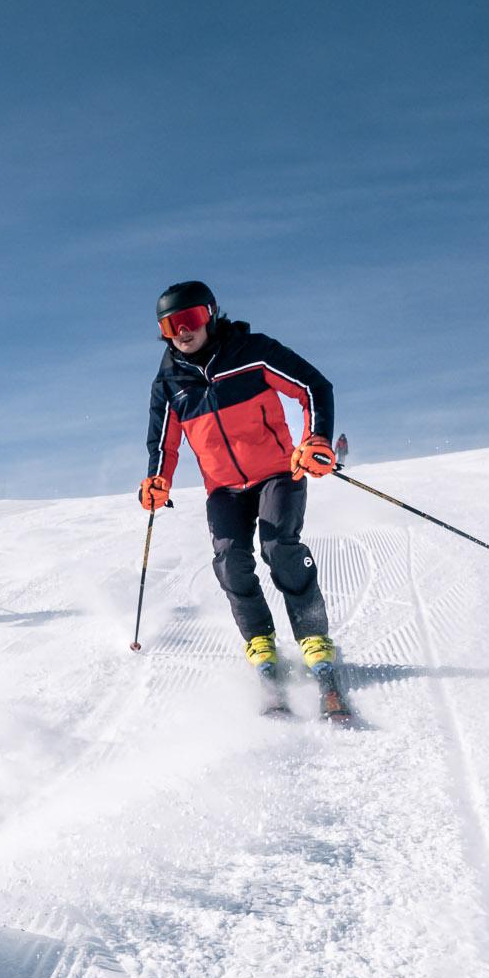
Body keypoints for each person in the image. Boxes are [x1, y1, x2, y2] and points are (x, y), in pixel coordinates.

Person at [140, 281, 347, 714]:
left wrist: (316, 439)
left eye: (190, 319)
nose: (182, 331)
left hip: (278, 472)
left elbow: (313, 386)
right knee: (230, 560)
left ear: (211, 315)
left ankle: (314, 639)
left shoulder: (251, 351)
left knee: (279, 547)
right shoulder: (170, 384)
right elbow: (164, 444)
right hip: (224, 489)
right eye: (169, 325)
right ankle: (260, 646)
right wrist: (157, 479)